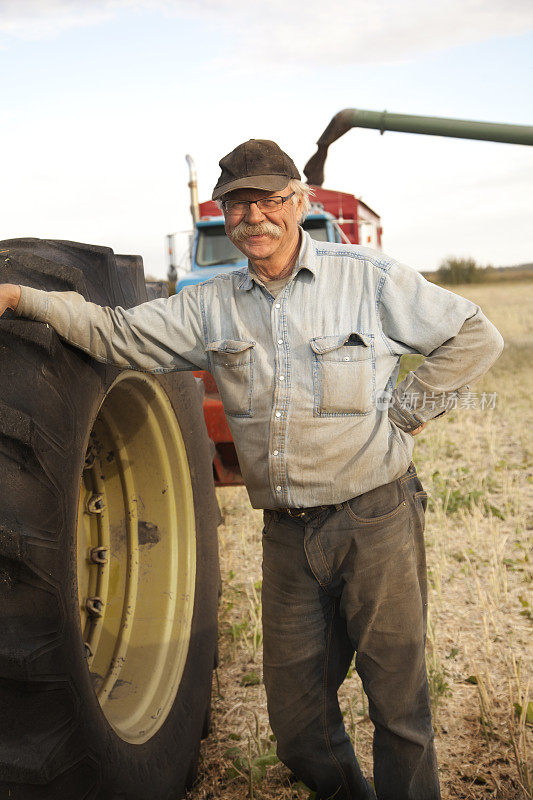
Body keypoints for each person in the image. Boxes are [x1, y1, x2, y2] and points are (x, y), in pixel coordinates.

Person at [0, 139, 503, 800]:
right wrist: (20, 297)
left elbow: (475, 334)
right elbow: (114, 332)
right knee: (296, 728)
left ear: (297, 203)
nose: (254, 216)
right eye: (239, 202)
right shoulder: (210, 305)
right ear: (224, 213)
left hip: (373, 517)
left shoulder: (365, 276)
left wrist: (406, 411)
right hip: (288, 537)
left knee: (399, 712)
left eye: (269, 199)